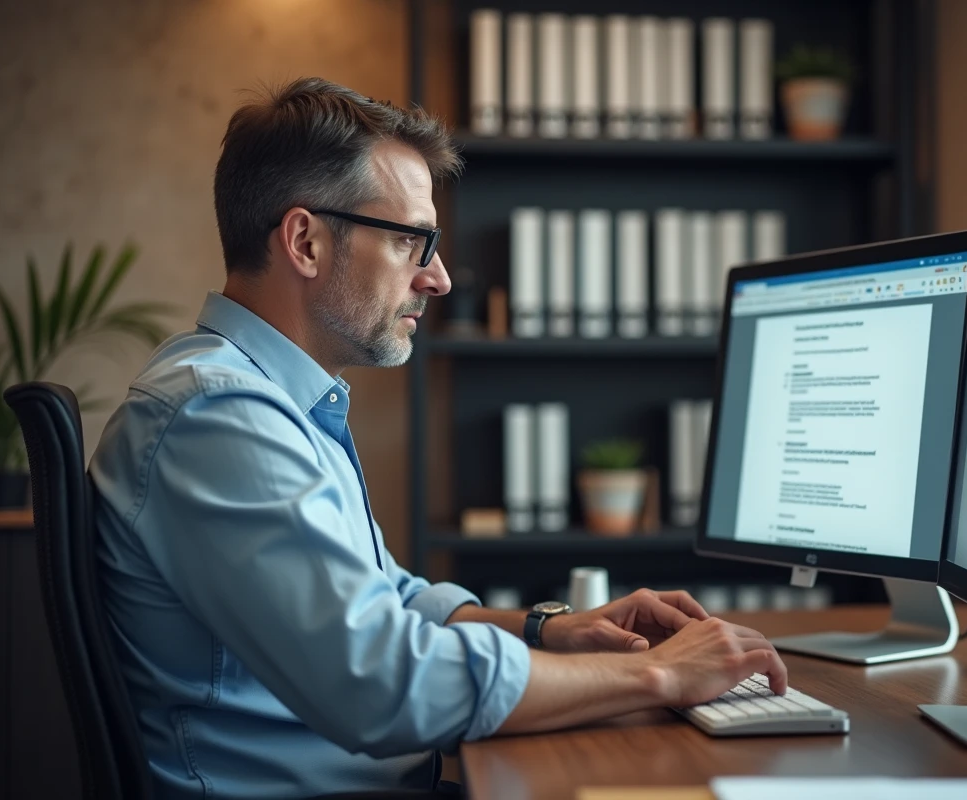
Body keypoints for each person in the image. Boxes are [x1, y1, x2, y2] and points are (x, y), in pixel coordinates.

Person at [90, 77, 787, 800]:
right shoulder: (220, 416)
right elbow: (383, 681)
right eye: (411, 241)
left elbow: (387, 598)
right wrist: (660, 672)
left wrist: (552, 630)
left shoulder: (270, 401)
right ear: (305, 242)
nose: (440, 279)